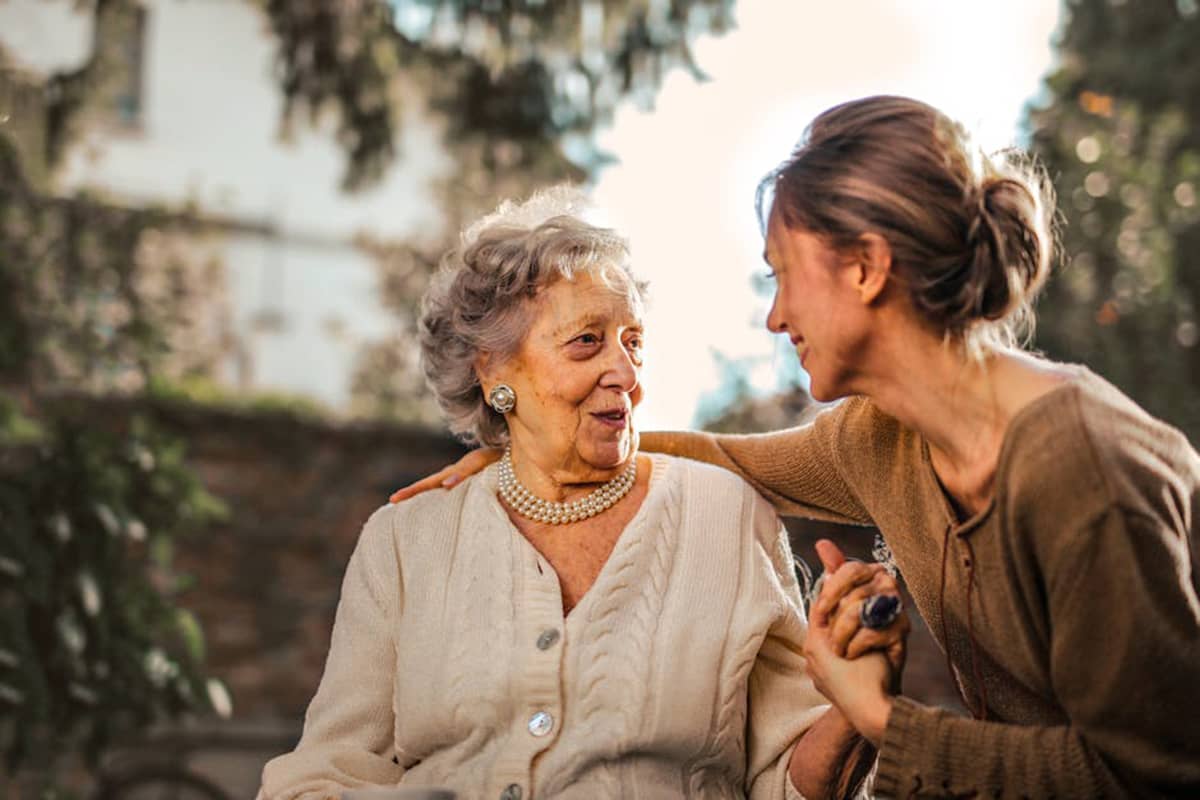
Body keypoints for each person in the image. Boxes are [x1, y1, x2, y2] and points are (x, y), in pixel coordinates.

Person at [390, 97, 1200, 798]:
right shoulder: (881, 438)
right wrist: (530, 452)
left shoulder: (1082, 470)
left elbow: (1151, 774)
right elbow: (726, 458)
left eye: (782, 275)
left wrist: (880, 717)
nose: (775, 318)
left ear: (866, 269)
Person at [259, 189, 909, 800]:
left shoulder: (726, 517)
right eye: (587, 343)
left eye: (634, 343)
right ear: (494, 371)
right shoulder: (405, 541)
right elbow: (325, 772)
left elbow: (787, 782)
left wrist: (856, 705)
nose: (625, 375)